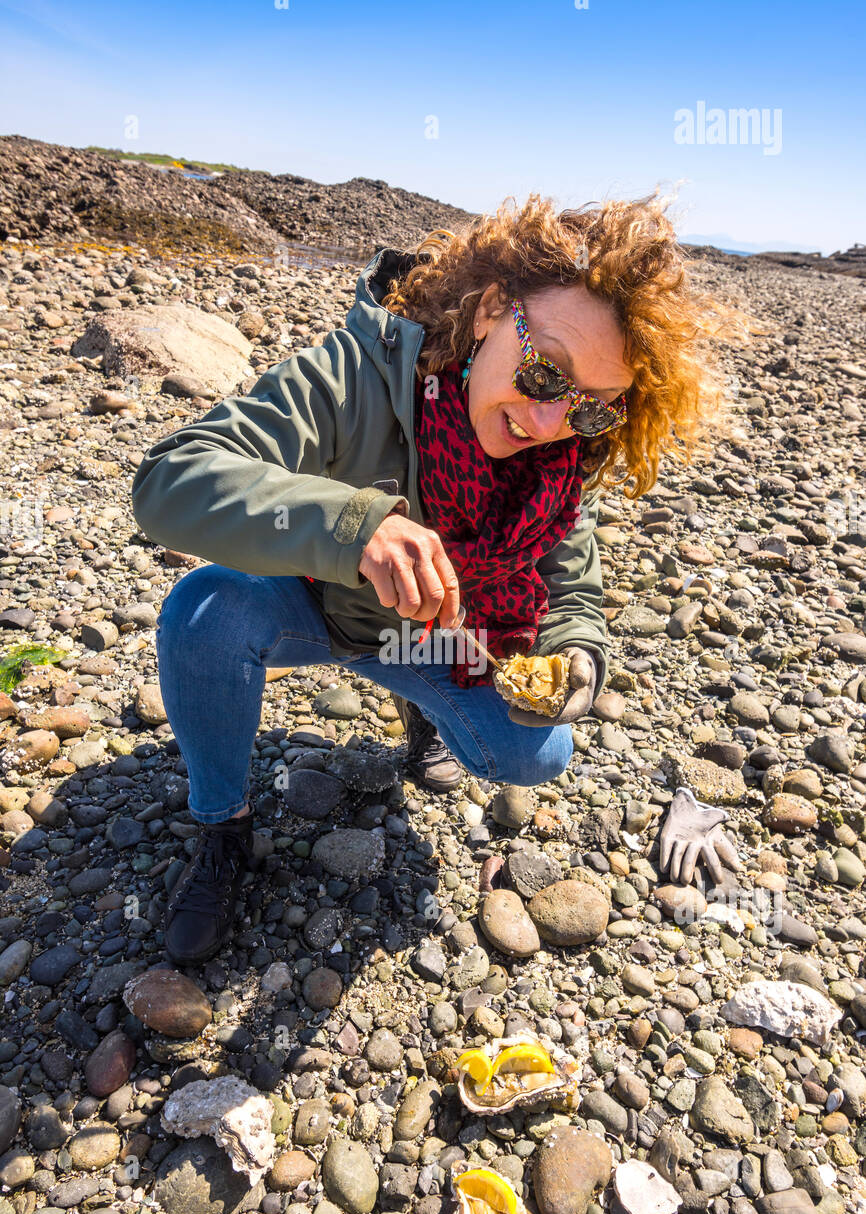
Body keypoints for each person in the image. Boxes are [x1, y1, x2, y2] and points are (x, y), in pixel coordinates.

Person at [132, 192, 738, 965]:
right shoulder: (353, 375)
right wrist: (351, 528)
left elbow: (570, 583)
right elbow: (169, 481)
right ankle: (224, 827)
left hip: (437, 639)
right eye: (547, 371)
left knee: (537, 752)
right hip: (315, 601)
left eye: (592, 407)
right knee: (203, 611)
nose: (550, 422)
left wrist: (577, 654)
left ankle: (420, 706)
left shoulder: (561, 454)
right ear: (489, 310)